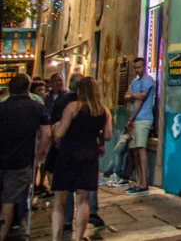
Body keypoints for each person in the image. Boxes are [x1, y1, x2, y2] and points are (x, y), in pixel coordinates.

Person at [51, 77, 112, 241]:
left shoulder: (72, 107)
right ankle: (78, 237)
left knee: (59, 201)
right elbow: (107, 135)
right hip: (89, 155)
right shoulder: (103, 111)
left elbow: (60, 133)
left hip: (68, 154)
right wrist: (95, 132)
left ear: (80, 91)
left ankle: (56, 237)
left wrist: (55, 127)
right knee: (83, 200)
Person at [0, 74, 50, 241]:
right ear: (28, 88)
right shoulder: (37, 107)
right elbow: (46, 133)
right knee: (9, 199)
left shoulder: (2, 107)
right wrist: (41, 152)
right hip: (21, 159)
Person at [124, 56, 156, 195]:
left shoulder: (148, 80)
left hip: (143, 119)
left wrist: (130, 119)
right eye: (135, 67)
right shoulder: (134, 82)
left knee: (140, 148)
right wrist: (133, 96)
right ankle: (138, 180)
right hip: (134, 120)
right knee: (134, 151)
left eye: (139, 67)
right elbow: (126, 96)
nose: (137, 70)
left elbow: (140, 100)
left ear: (144, 67)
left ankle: (144, 182)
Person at [36, 73, 66, 196]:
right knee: (47, 160)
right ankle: (49, 184)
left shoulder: (67, 97)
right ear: (52, 83)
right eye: (57, 81)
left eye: (61, 80)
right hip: (48, 131)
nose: (59, 83)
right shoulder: (46, 98)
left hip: (62, 131)